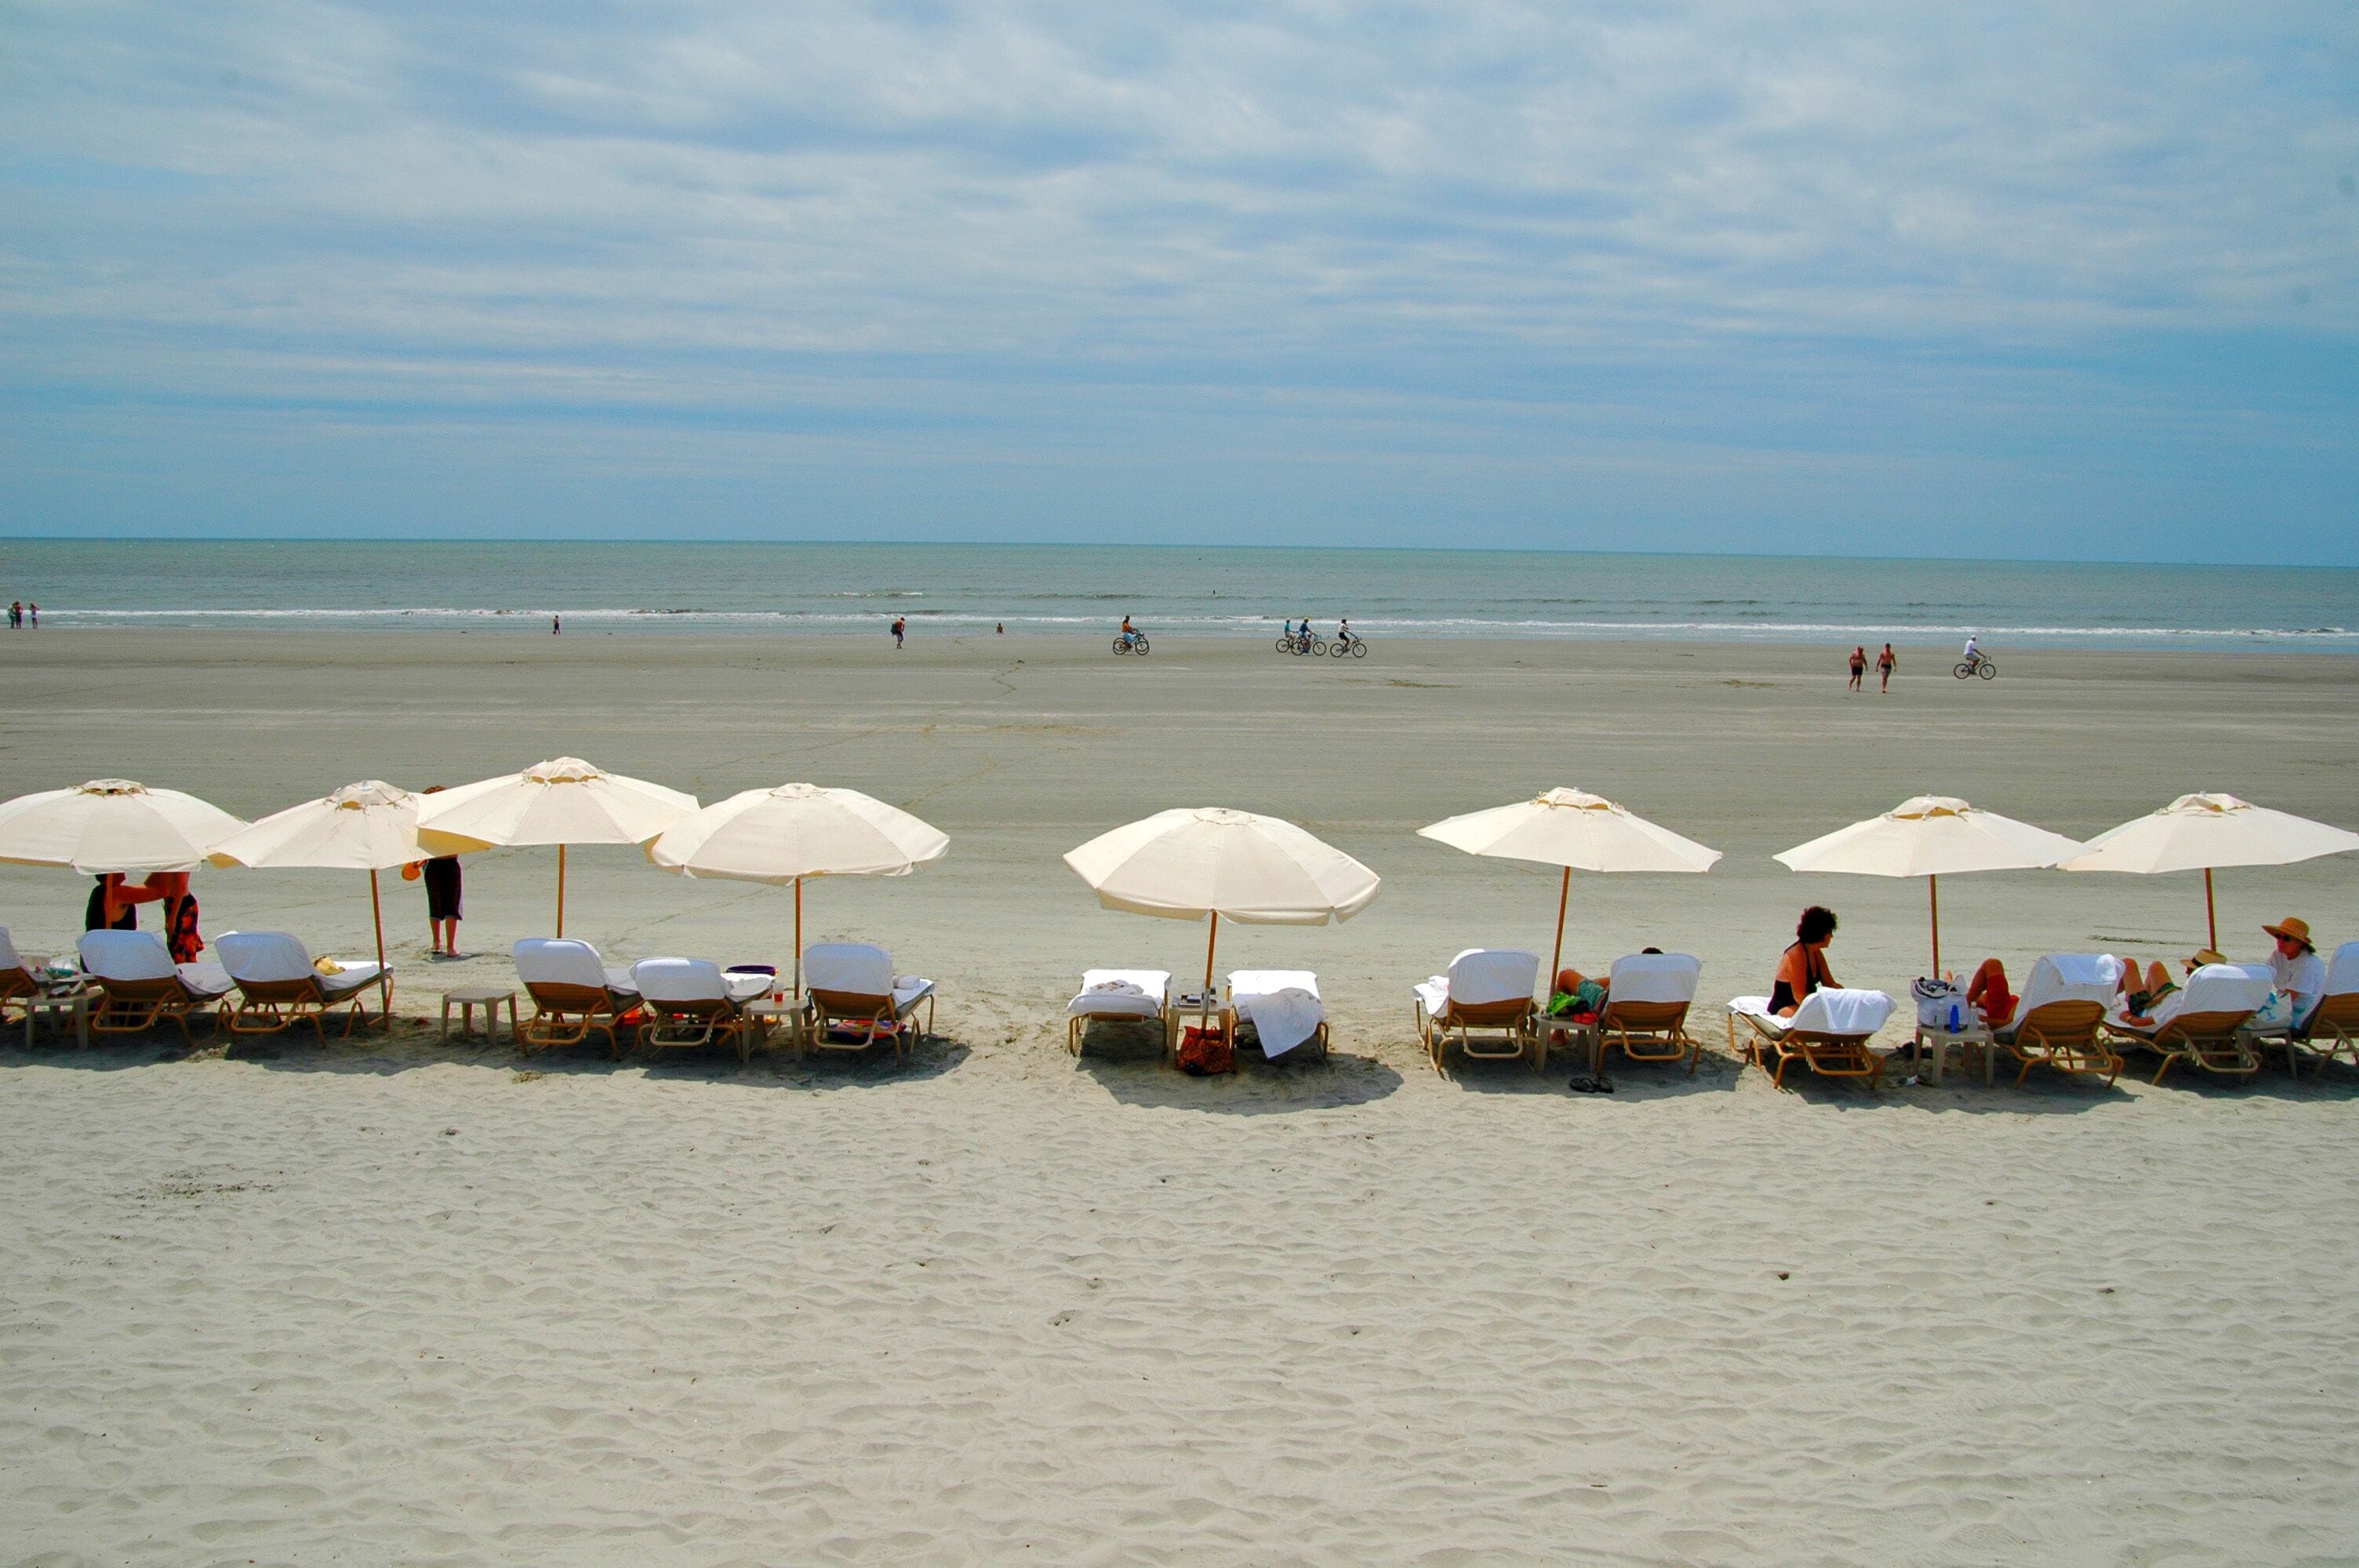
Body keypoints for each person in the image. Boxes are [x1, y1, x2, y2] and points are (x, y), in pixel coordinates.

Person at [413, 785, 463, 959]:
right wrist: (419, 860)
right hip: (433, 864)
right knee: (435, 903)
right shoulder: (426, 821)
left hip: (450, 864)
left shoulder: (452, 819)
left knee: (452, 905)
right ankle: (436, 941)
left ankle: (450, 946)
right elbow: (423, 844)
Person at [1770, 906, 1839, 1016]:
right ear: (1823, 934)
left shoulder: (1815, 952)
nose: (1831, 936)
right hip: (1786, 1007)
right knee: (1822, 1017)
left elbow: (1830, 984)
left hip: (1805, 1004)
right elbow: (1800, 997)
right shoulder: (1796, 955)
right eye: (1830, 932)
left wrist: (1845, 996)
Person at [2263, 916, 2326, 1033]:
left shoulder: (2307, 963)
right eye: (2278, 936)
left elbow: (2291, 996)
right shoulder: (2277, 955)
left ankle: (2249, 1048)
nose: (2280, 941)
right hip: (2284, 1004)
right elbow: (2264, 978)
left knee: (2251, 1020)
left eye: (2286, 938)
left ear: (2300, 943)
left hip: (2303, 1013)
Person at [145, 871, 204, 963]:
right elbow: (150, 884)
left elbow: (181, 888)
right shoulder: (167, 860)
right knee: (174, 948)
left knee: (181, 950)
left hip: (183, 905)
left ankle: (187, 975)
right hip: (172, 902)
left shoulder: (181, 859)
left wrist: (172, 919)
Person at [83, 872, 158, 932]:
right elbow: (161, 891)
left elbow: (147, 886)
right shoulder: (114, 892)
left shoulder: (100, 891)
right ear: (110, 873)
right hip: (114, 946)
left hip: (103, 946)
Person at [1965, 958, 2019, 1027]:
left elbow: (2007, 1023)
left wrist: (1978, 1018)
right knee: (1980, 998)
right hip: (2011, 1003)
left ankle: (1965, 1004)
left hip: (2006, 1009)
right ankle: (1964, 1001)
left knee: (1993, 964)